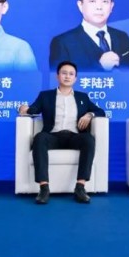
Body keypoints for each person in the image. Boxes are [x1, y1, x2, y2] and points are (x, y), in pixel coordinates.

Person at [18, 61, 106, 204]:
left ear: (75, 78)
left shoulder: (82, 97)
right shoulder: (45, 96)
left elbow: (100, 111)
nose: (67, 76)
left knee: (88, 139)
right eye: (64, 73)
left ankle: (80, 187)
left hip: (74, 136)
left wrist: (89, 115)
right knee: (39, 138)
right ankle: (44, 188)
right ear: (57, 76)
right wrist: (23, 109)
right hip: (52, 135)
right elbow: (33, 109)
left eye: (71, 74)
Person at [49, 0, 129, 71]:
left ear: (111, 6)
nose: (99, 7)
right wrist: (100, 67)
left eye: (105, 1)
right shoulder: (63, 42)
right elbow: (60, 78)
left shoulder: (122, 37)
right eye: (92, 1)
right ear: (80, 5)